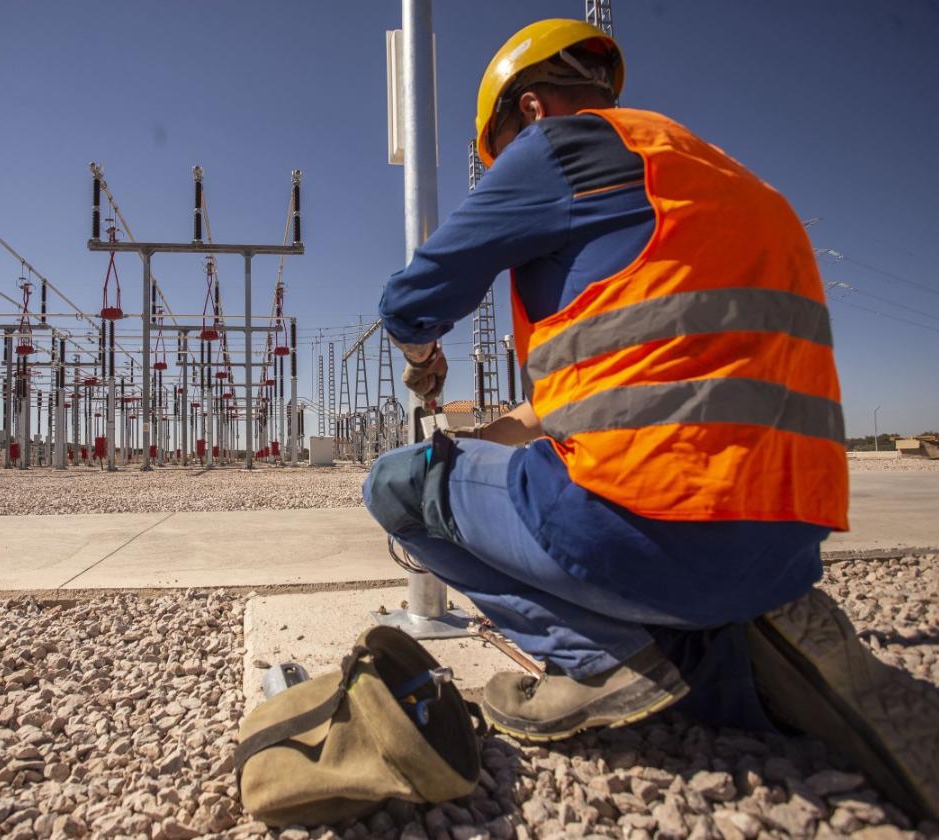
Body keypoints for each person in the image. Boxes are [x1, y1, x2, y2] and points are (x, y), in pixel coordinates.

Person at [364, 18, 936, 819]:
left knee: (395, 488)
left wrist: (422, 359)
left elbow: (412, 299)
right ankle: (731, 658)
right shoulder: (721, 177)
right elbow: (626, 388)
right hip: (786, 547)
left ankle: (597, 661)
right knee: (522, 491)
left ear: (529, 111)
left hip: (653, 532)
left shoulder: (556, 150)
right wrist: (479, 445)